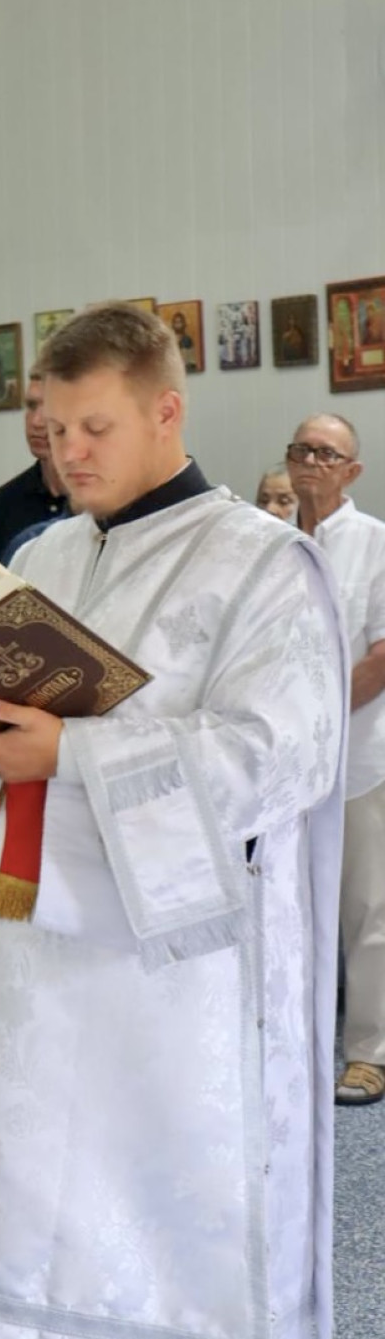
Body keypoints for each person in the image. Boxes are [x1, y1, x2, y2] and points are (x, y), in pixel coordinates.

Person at [0, 303, 347, 1339]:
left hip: (173, 987)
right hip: (33, 961)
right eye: (51, 428)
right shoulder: (44, 556)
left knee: (149, 1225)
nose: (68, 453)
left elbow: (281, 755)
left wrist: (73, 753)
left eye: (93, 427)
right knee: (26, 1208)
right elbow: (5, 728)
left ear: (167, 411)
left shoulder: (262, 563)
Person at [287, 413, 385, 1106]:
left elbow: (381, 655)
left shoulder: (376, 542)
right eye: (301, 450)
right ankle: (296, 1046)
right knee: (289, 912)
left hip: (358, 757)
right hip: (282, 763)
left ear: (352, 470)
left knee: (366, 911)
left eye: (326, 453)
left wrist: (317, 716)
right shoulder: (271, 543)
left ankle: (367, 1053)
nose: (310, 461)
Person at [0, 368, 71, 562]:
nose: (36, 422)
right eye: (31, 406)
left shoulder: (98, 502)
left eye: (49, 408)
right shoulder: (2, 504)